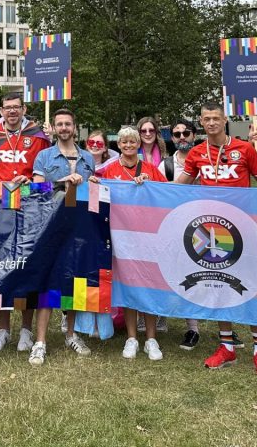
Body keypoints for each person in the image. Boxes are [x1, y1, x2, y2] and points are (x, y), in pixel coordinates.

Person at [175, 102, 257, 378]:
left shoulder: (243, 149)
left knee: (251, 286)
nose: (211, 123)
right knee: (220, 284)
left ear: (225, 119)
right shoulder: (196, 152)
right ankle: (227, 345)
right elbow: (177, 187)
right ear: (201, 122)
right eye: (206, 119)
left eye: (215, 118)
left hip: (243, 228)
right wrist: (145, 185)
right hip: (211, 232)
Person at [0, 91, 51, 354]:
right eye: (7, 107)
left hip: (29, 208)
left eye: (16, 107)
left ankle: (26, 329)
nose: (12, 111)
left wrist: (33, 180)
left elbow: (45, 170)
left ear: (23, 110)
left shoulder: (38, 136)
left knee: (26, 266)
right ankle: (3, 329)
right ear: (1, 110)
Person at [91, 126, 166, 361]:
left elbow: (166, 195)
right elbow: (96, 202)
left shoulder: (151, 170)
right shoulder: (109, 170)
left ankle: (151, 339)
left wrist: (151, 186)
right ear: (119, 145)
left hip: (148, 238)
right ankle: (132, 338)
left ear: (138, 144)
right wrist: (93, 183)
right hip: (122, 240)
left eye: (133, 142)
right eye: (124, 143)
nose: (129, 146)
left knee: (149, 286)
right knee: (128, 288)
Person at [28, 107, 95, 366]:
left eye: (68, 123)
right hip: (51, 228)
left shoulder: (88, 158)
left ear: (74, 127)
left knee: (75, 281)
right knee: (48, 282)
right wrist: (62, 182)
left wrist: (94, 183)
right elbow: (36, 189)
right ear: (54, 128)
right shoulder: (44, 156)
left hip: (80, 228)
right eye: (60, 124)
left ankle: (71, 334)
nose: (64, 128)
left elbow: (92, 191)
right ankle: (40, 342)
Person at [164, 119, 202, 351]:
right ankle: (193, 328)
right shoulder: (166, 164)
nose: (181, 137)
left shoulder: (208, 158)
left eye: (186, 132)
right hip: (180, 226)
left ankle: (227, 330)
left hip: (208, 225)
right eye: (176, 134)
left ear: (194, 134)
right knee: (188, 276)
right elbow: (160, 191)